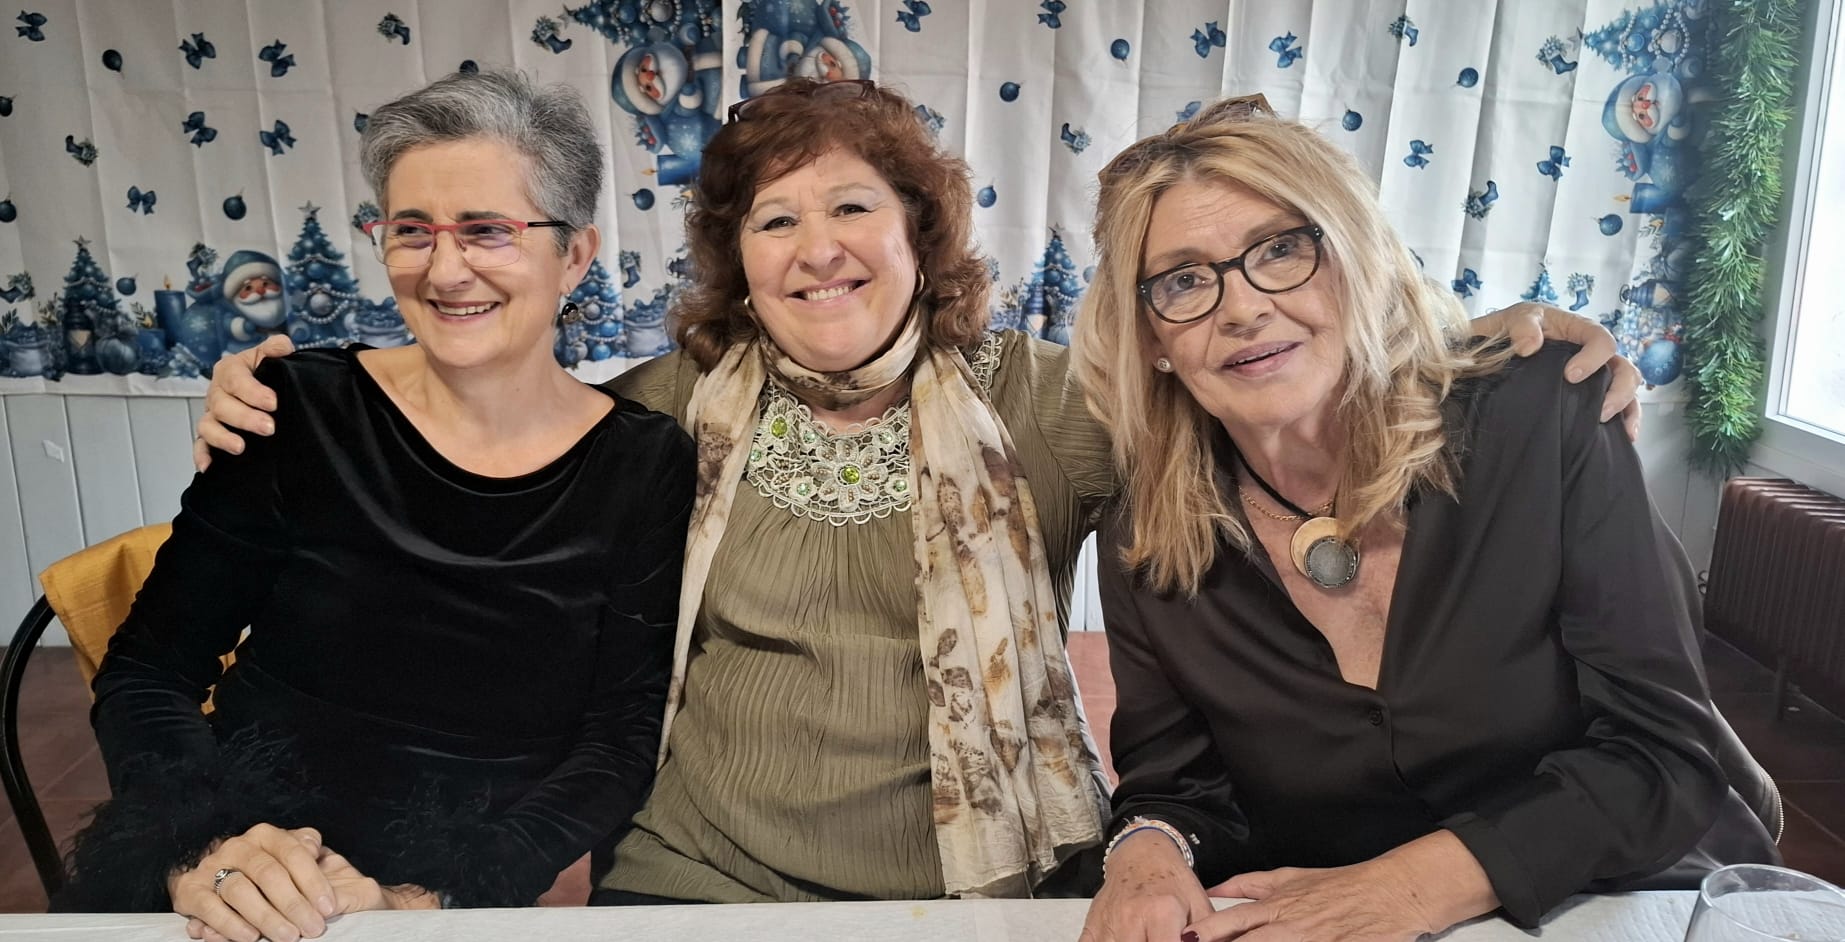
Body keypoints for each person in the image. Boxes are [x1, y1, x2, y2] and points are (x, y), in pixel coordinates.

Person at [191, 79, 1640, 905]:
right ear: (736, 258)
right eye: (773, 219)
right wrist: (283, 397)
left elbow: (1251, 368)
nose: (815, 247)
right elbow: (483, 424)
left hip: (997, 887)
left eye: (851, 207)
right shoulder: (662, 410)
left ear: (918, 232)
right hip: (694, 882)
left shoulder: (1054, 400)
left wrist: (1492, 341)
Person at [1071, 99, 1778, 942]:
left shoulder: (1540, 415)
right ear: (1152, 337)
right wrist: (1145, 851)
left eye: (1281, 249)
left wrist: (1407, 889)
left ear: (1357, 258)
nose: (1241, 307)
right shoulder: (1148, 534)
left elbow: (1661, 751)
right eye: (1183, 280)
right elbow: (1176, 789)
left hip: (1623, 900)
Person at [58, 70, 694, 942]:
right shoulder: (293, 409)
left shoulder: (643, 463)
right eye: (411, 231)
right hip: (233, 854)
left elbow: (618, 738)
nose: (445, 269)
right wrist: (205, 846)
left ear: (575, 255)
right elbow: (149, 670)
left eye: (487, 231)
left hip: (453, 881)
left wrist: (426, 903)